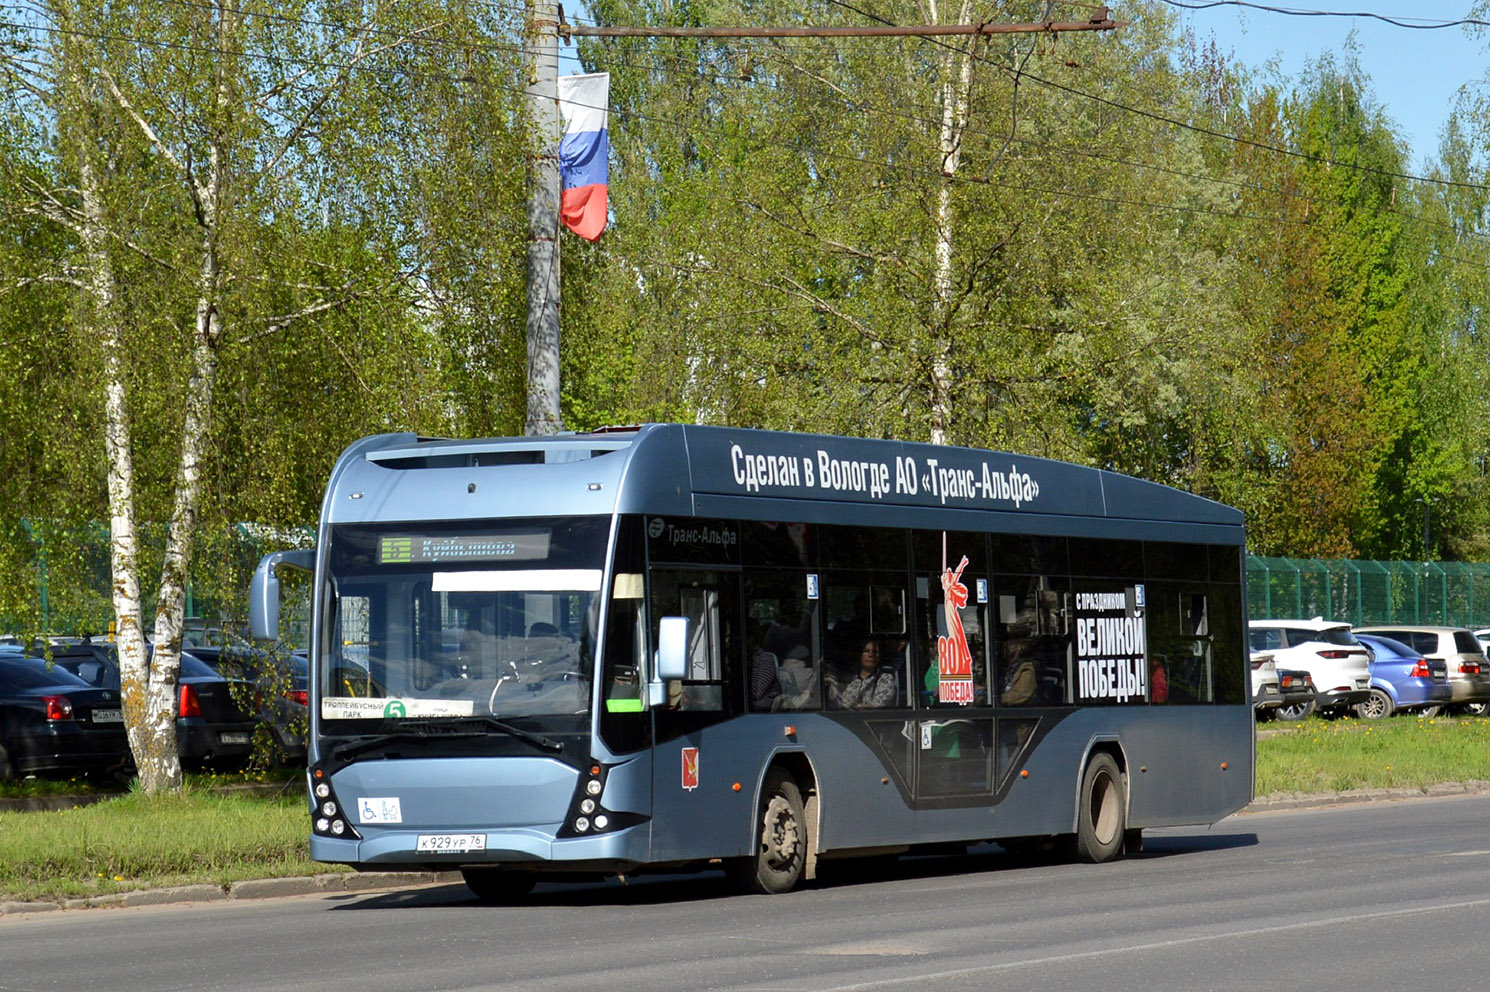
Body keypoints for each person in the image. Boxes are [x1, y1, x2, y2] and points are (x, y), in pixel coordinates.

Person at [836, 638, 898, 708]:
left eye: (874, 652)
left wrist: (860, 707)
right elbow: (843, 703)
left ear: (879, 657)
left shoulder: (886, 679)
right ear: (860, 655)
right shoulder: (850, 679)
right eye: (866, 651)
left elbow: (879, 706)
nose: (870, 655)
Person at [747, 622, 781, 712]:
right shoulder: (744, 659)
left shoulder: (765, 659)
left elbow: (756, 693)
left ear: (751, 638)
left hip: (762, 713)